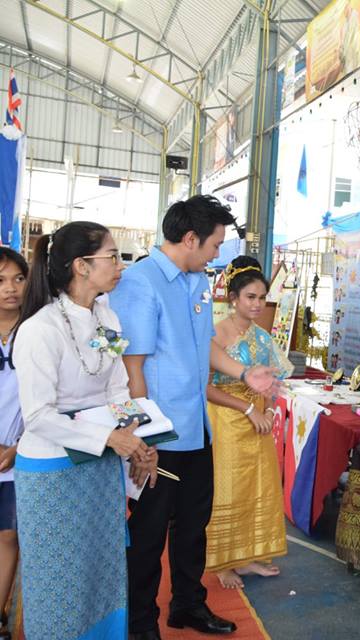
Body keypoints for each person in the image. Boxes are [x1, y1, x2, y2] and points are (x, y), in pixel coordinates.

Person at [111, 196, 277, 640]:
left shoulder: (198, 280)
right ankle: (140, 623)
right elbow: (132, 367)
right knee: (148, 535)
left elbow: (204, 346)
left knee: (193, 526)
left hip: (196, 429)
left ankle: (187, 604)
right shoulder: (141, 282)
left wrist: (244, 373)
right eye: (215, 244)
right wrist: (142, 438)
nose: (217, 253)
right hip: (159, 436)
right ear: (189, 238)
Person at [12, 223, 156, 639]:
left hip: (98, 468)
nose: (120, 265)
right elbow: (38, 416)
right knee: (59, 584)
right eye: (113, 256)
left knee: (99, 573)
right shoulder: (40, 329)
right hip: (52, 473)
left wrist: (137, 438)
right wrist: (111, 438)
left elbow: (117, 390)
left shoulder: (106, 316)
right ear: (81, 266)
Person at [206, 256, 292, 589]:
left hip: (259, 423)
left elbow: (273, 382)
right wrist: (248, 410)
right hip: (227, 421)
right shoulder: (215, 335)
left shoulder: (263, 337)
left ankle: (246, 556)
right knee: (228, 491)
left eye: (262, 298)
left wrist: (268, 412)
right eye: (250, 297)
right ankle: (223, 563)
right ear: (233, 298)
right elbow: (206, 388)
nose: (257, 304)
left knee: (257, 488)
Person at [0, 248, 27, 639]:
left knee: (8, 534)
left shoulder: (37, 330)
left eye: (18, 279)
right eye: (1, 281)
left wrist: (20, 445)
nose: (10, 288)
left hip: (21, 450)